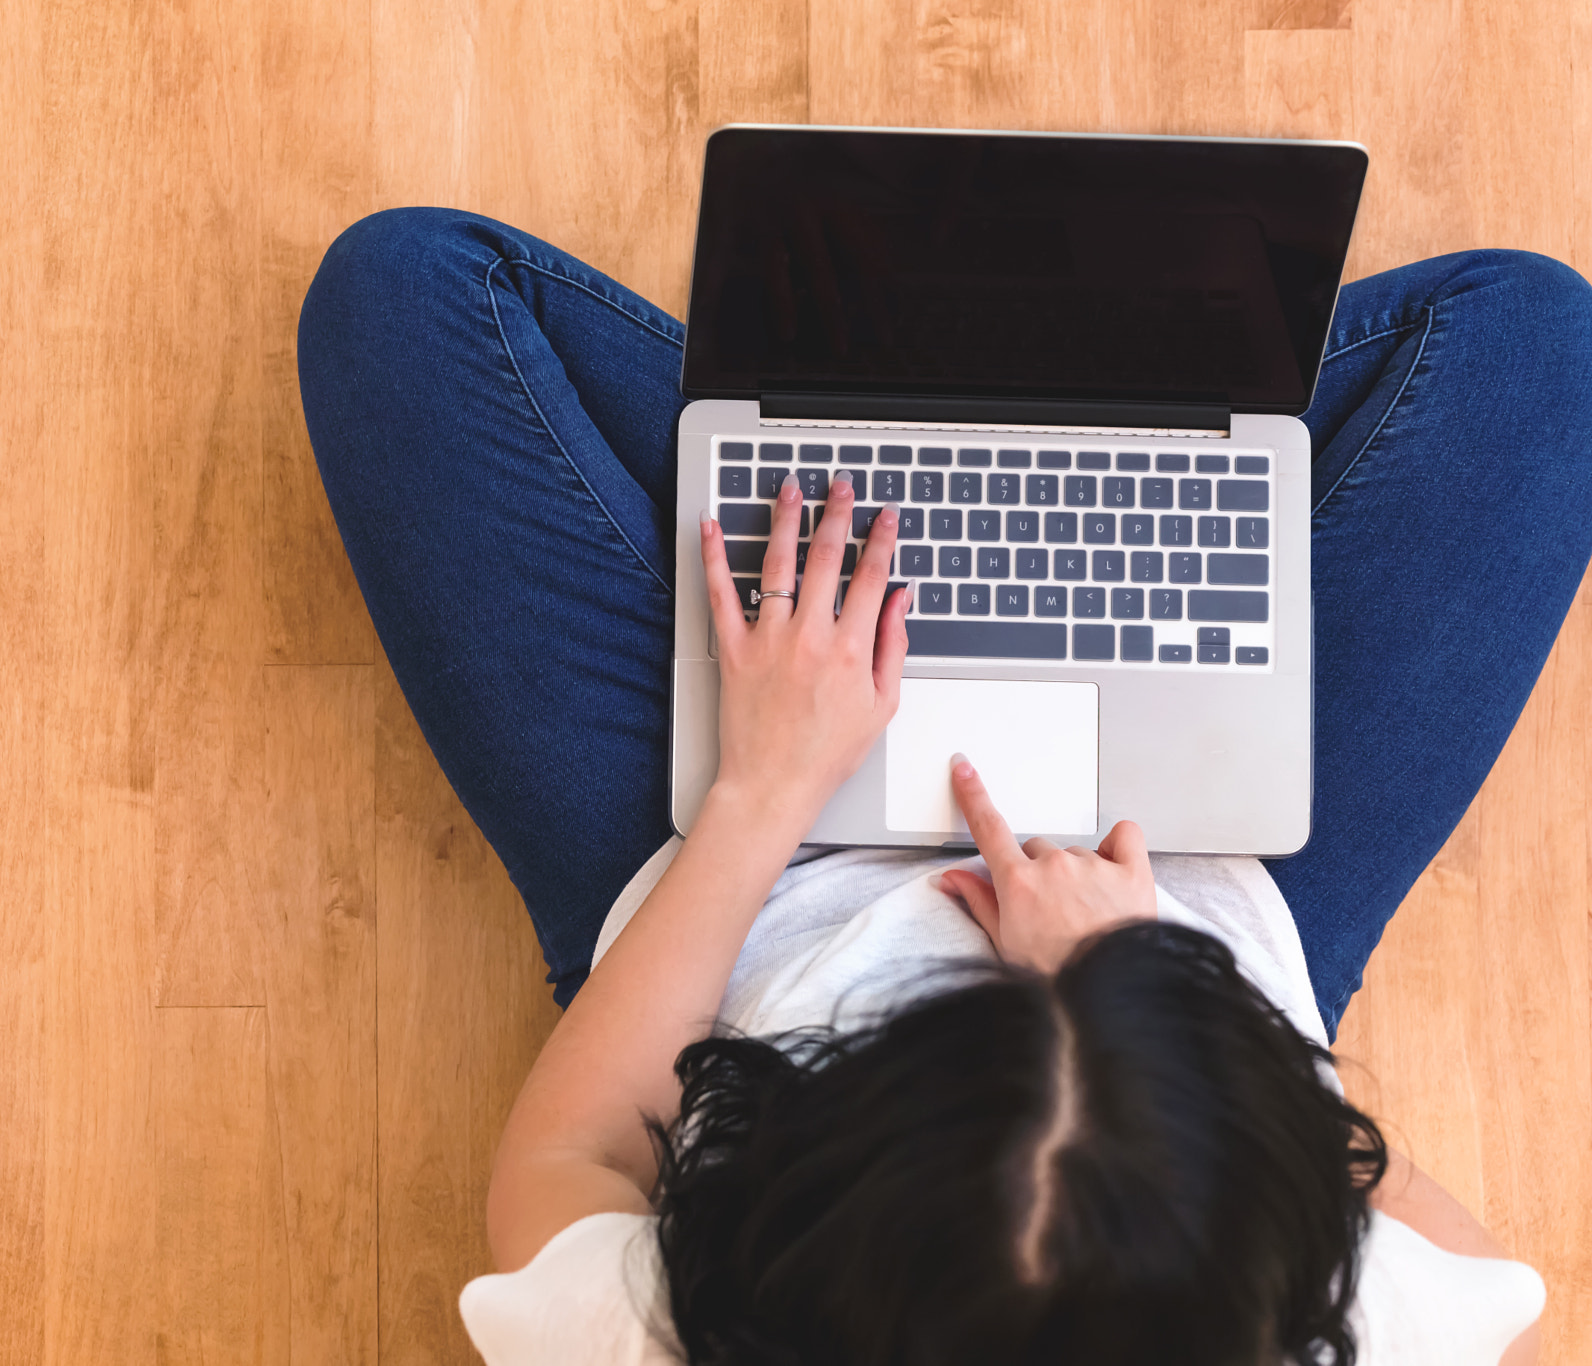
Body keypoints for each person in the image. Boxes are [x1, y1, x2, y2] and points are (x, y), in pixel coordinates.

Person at [298, 206, 1591, 1364]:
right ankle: (1033, 464)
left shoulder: (664, 1330)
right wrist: (1183, 986)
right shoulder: (1343, 1323)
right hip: (1216, 870)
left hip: (736, 874)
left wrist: (762, 791)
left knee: (408, 299)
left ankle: (883, 456)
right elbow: (1495, 1305)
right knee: (1539, 348)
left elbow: (566, 1158)